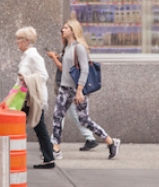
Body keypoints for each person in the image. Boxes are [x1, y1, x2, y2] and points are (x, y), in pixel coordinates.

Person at [51, 20, 120, 160]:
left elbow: (85, 69)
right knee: (57, 116)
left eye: (65, 28)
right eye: (63, 28)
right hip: (65, 88)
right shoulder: (67, 47)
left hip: (77, 89)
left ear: (73, 30)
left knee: (84, 120)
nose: (62, 30)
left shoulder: (79, 48)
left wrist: (79, 91)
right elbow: (65, 69)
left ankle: (111, 142)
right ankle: (55, 149)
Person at [0, 27, 55, 169]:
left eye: (19, 39)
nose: (17, 42)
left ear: (27, 41)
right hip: (25, 97)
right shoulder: (26, 56)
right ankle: (48, 158)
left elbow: (43, 76)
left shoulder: (33, 56)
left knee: (33, 127)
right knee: (31, 127)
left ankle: (48, 158)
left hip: (33, 98)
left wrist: (26, 78)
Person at [47, 34, 99, 152]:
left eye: (62, 36)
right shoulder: (67, 50)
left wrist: (53, 58)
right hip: (68, 88)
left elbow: (64, 68)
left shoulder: (75, 49)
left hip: (70, 88)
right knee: (69, 115)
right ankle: (90, 138)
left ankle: (53, 142)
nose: (61, 38)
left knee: (63, 115)